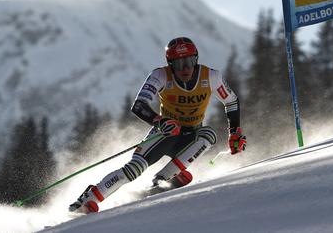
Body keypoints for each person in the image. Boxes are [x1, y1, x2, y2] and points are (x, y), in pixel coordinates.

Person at [69, 36, 246, 214]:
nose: (185, 68)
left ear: (196, 59)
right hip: (166, 134)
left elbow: (231, 101)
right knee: (134, 169)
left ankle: (162, 179)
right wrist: (160, 121)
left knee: (208, 135)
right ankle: (89, 199)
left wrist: (235, 132)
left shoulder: (211, 76)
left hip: (191, 135)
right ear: (170, 64)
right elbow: (139, 106)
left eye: (190, 61)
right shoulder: (160, 75)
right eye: (178, 63)